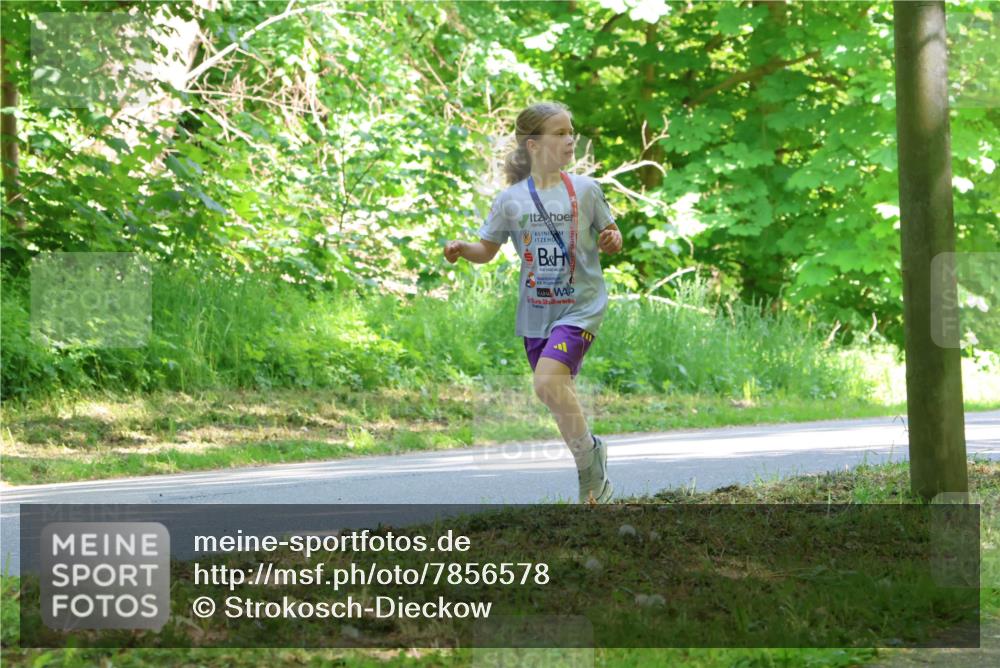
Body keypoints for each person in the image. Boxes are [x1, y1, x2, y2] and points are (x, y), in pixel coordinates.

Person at [443, 101, 623, 504]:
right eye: (560, 133)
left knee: (547, 383)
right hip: (537, 313)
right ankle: (590, 455)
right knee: (554, 394)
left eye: (571, 131)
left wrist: (612, 239)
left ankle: (590, 472)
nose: (570, 139)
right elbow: (487, 249)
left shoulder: (586, 190)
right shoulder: (511, 199)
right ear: (533, 145)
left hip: (580, 307)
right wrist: (462, 249)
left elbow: (612, 234)